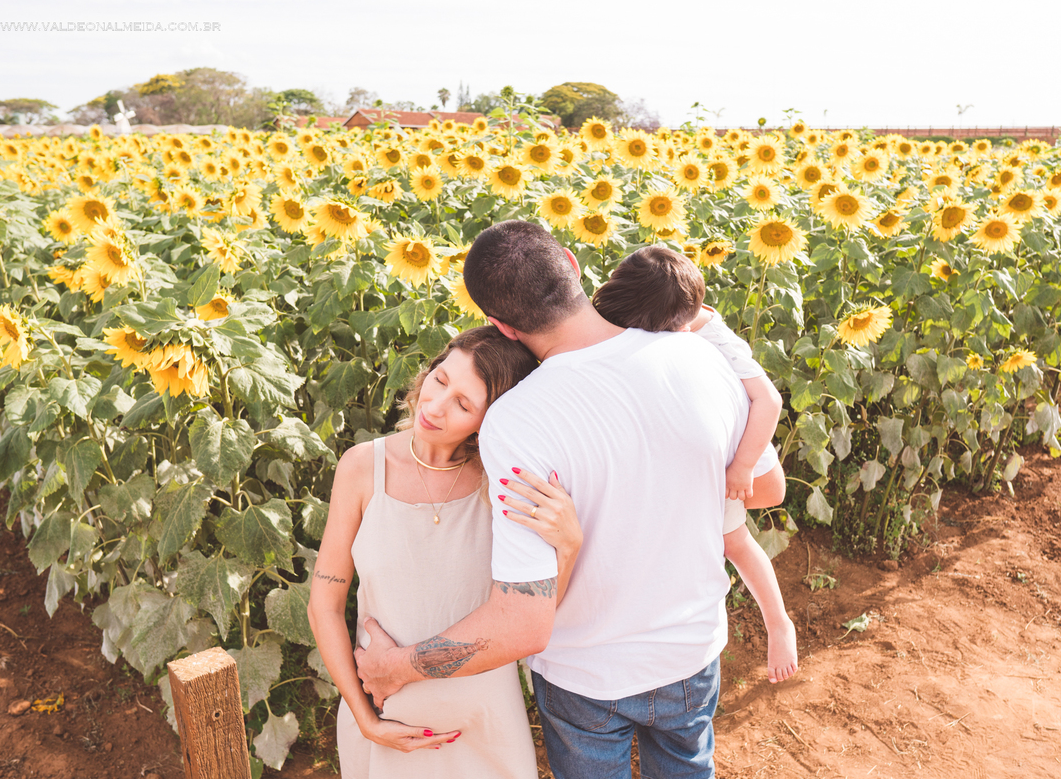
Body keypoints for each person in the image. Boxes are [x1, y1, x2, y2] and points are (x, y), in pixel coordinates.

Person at [355, 220, 788, 778]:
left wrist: (398, 667)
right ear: (571, 262)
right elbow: (768, 490)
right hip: (689, 654)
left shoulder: (515, 420)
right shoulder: (700, 359)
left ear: (500, 326)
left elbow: (524, 622)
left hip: (586, 678)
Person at [307, 325, 583, 779]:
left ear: (489, 419)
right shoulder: (361, 467)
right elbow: (324, 604)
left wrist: (569, 546)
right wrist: (365, 720)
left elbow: (536, 617)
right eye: (440, 380)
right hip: (388, 734)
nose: (435, 407)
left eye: (464, 403)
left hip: (487, 730)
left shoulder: (503, 485)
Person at [591, 244, 798, 685]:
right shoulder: (625, 311)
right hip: (669, 450)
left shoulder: (714, 336)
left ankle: (778, 622)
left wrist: (741, 468)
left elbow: (769, 399)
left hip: (727, 450)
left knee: (735, 542)